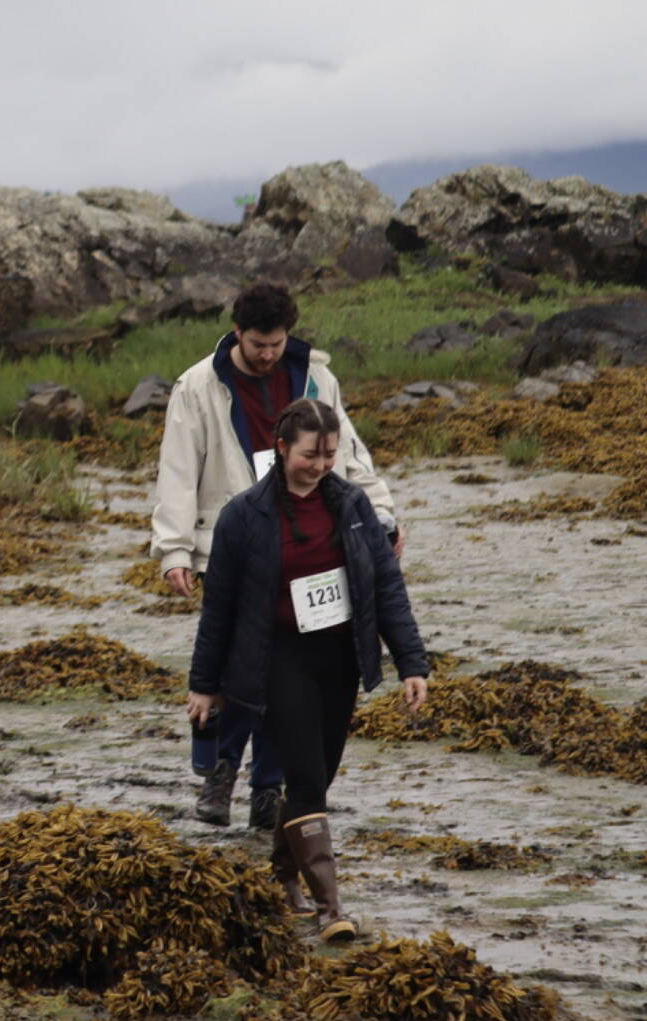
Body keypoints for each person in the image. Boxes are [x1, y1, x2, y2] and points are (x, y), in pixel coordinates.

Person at [150, 282, 401, 831]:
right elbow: (178, 468)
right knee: (242, 662)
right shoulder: (198, 387)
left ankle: (267, 788)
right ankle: (220, 771)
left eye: (277, 344)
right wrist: (174, 548)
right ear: (238, 333)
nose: (268, 354)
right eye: (259, 344)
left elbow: (347, 451)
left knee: (286, 674)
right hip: (234, 541)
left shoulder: (315, 377)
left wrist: (382, 514)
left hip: (312, 541)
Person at [188, 398, 429, 943]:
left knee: (316, 777)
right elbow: (218, 607)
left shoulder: (353, 505)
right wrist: (203, 685)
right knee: (304, 778)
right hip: (278, 658)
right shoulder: (243, 516)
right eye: (309, 455)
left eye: (328, 454)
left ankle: (281, 880)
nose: (320, 465)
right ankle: (329, 907)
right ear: (280, 448)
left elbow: (387, 588)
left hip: (339, 658)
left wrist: (412, 663)